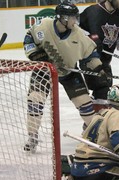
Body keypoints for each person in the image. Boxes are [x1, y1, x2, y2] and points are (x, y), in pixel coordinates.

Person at [23, 1, 111, 153]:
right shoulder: (44, 26)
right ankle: (32, 136)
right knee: (35, 100)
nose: (75, 21)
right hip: (44, 70)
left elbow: (90, 54)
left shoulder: (78, 35)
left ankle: (95, 134)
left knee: (85, 104)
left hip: (68, 71)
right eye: (72, 18)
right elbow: (29, 38)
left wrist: (98, 68)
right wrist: (34, 54)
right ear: (62, 18)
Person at [79, 0, 119, 103]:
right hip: (90, 59)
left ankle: (96, 115)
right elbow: (75, 29)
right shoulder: (92, 11)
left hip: (105, 61)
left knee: (105, 92)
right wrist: (89, 38)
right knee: (102, 89)